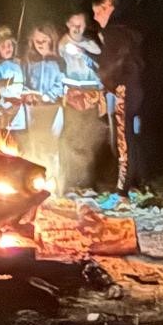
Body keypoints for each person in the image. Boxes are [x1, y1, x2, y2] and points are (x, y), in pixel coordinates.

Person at [93, 0, 145, 192]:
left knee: (123, 138)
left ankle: (122, 188)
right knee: (131, 135)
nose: (96, 18)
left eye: (98, 11)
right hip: (135, 87)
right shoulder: (128, 30)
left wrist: (104, 80)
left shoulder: (114, 33)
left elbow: (111, 65)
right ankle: (137, 183)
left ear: (108, 5)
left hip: (124, 88)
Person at [57, 10, 105, 193]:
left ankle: (86, 181)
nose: (77, 29)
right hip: (73, 99)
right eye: (74, 24)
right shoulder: (64, 44)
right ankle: (72, 180)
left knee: (89, 138)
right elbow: (67, 53)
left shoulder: (89, 43)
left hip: (91, 97)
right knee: (72, 136)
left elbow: (98, 53)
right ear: (68, 24)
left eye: (81, 25)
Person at [21, 24, 64, 178]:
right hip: (33, 110)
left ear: (51, 40)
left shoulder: (58, 61)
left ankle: (53, 180)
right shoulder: (28, 60)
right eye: (36, 41)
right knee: (35, 143)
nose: (40, 44)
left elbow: (60, 85)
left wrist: (46, 96)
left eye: (44, 40)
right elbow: (23, 83)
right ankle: (36, 180)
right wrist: (28, 95)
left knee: (51, 146)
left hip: (52, 109)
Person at [0, 26, 27, 144]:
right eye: (3, 46)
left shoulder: (18, 63)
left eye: (9, 45)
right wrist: (6, 101)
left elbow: (21, 85)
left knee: (16, 145)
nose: (7, 48)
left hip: (17, 115)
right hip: (0, 115)